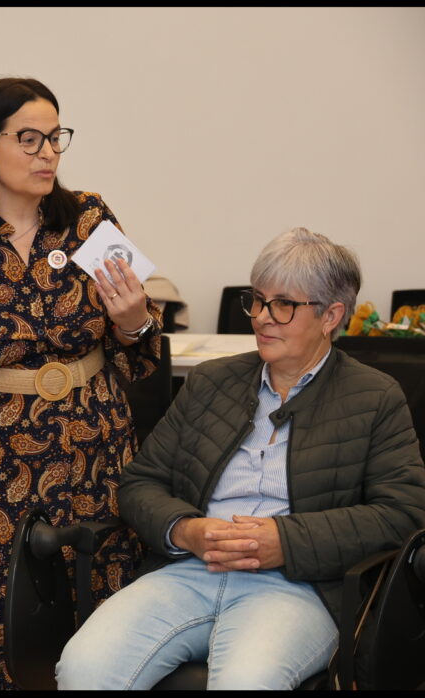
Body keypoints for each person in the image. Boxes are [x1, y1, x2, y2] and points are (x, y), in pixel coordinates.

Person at [56, 227, 425, 690]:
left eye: (283, 305)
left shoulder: (375, 396)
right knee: (83, 669)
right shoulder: (212, 381)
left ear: (331, 315)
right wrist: (185, 530)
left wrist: (286, 541)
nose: (263, 318)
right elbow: (139, 482)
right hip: (190, 572)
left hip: (298, 586)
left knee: (246, 682)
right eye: (258, 300)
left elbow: (403, 514)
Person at [0, 76, 163, 689]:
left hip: (93, 443)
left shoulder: (90, 218)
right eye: (29, 139)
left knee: (100, 599)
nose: (48, 153)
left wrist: (134, 322)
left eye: (55, 137)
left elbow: (143, 354)